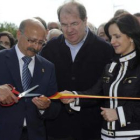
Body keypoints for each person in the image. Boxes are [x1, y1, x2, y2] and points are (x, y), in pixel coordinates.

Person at [41, 1, 114, 140]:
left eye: (74, 23)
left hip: (93, 129)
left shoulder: (105, 50)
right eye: (64, 24)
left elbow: (107, 89)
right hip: (56, 130)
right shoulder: (49, 49)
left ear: (85, 20)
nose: (69, 30)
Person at [61, 14, 140, 139]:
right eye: (110, 36)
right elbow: (95, 93)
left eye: (117, 36)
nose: (112, 41)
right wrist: (73, 96)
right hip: (105, 136)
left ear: (131, 36)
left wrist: (120, 113)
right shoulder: (110, 67)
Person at [0, 18, 61, 140]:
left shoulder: (48, 67)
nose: (36, 47)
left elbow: (55, 107)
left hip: (35, 135)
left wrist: (46, 106)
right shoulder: (1, 59)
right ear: (19, 34)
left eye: (41, 42)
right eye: (32, 40)